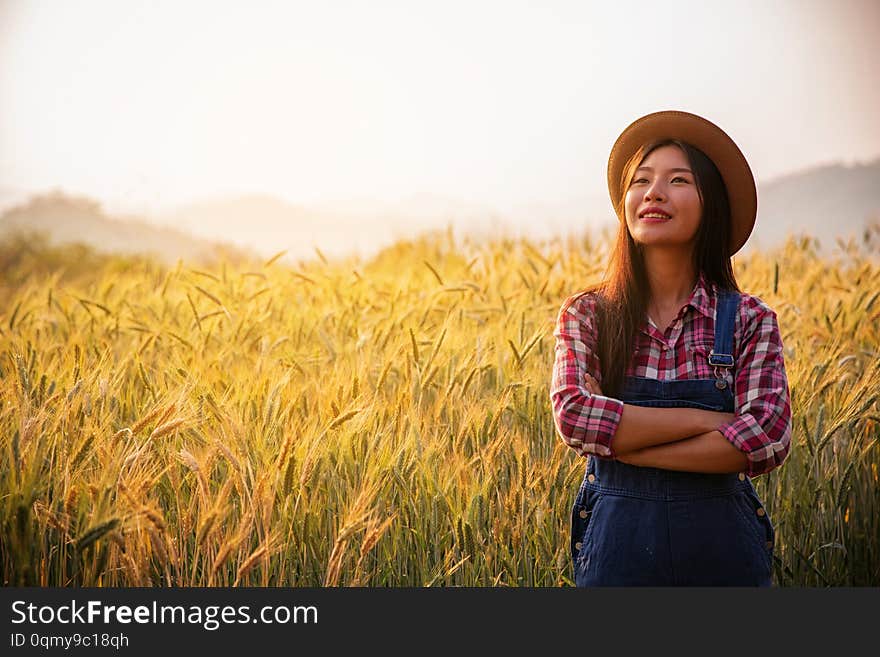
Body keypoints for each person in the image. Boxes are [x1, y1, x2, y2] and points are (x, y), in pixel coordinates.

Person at [550, 110, 792, 586]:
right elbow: (575, 416)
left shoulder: (748, 320)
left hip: (722, 566)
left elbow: (767, 436)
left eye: (678, 180)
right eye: (641, 180)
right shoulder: (587, 316)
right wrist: (709, 423)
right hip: (617, 564)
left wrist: (629, 448)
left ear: (712, 205)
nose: (654, 192)